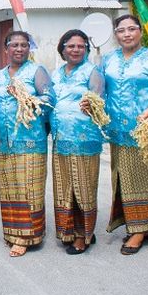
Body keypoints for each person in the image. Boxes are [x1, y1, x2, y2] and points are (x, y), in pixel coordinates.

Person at [99, 14, 148, 255]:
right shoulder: (108, 60)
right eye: (121, 30)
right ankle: (141, 224)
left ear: (140, 32)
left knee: (146, 178)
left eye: (132, 29)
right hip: (118, 132)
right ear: (115, 34)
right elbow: (100, 90)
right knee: (124, 179)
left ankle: (139, 231)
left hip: (145, 133)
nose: (127, 34)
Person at [0, 31, 54, 257]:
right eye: (14, 45)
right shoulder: (0, 75)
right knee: (10, 190)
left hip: (31, 141)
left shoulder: (37, 71)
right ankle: (14, 232)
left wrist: (25, 98)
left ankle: (28, 236)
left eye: (24, 45)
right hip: (7, 144)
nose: (19, 49)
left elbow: (49, 100)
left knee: (30, 190)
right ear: (6, 49)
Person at [50, 29, 104, 254]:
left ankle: (84, 236)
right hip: (60, 139)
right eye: (71, 46)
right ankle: (68, 231)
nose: (75, 49)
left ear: (86, 49)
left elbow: (100, 102)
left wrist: (92, 105)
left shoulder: (92, 71)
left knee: (84, 188)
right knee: (64, 189)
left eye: (81, 46)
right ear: (63, 49)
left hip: (84, 139)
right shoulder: (56, 73)